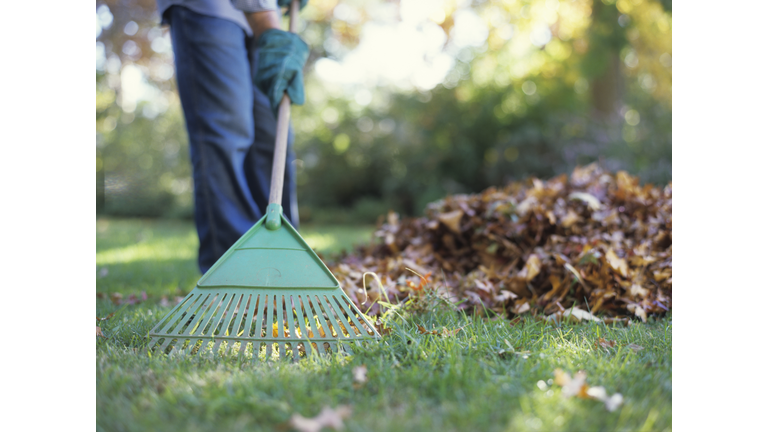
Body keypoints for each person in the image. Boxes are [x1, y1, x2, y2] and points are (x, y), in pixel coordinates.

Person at [153, 0, 310, 274]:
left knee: (273, 136)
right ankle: (234, 272)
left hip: (262, 14)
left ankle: (283, 267)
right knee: (226, 132)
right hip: (209, 9)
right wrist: (266, 21)